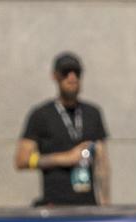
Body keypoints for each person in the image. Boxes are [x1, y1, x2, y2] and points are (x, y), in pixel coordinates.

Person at [15, 52, 110, 207]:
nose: (72, 78)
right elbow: (21, 160)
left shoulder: (93, 113)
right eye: (65, 72)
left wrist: (105, 202)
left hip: (88, 206)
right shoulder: (41, 115)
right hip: (54, 205)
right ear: (55, 76)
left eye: (76, 73)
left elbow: (102, 162)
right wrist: (65, 158)